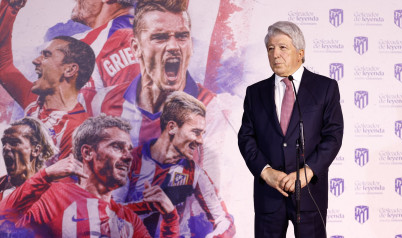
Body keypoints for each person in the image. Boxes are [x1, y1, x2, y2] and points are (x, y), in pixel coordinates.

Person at [88, 0, 241, 191]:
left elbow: (214, 195)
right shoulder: (101, 103)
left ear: (191, 45)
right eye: (160, 37)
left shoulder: (214, 112)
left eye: (182, 36)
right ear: (136, 48)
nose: (173, 46)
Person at [238, 21, 344, 238]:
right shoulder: (254, 93)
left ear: (300, 53)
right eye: (270, 48)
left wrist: (308, 171)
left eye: (282, 47)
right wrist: (266, 172)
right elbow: (246, 137)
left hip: (309, 194)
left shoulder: (324, 88)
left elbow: (333, 136)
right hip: (269, 195)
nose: (275, 54)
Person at [0, 115, 179, 237]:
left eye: (129, 150)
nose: (128, 156)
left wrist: (170, 218)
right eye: (117, 147)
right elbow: (4, 217)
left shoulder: (128, 219)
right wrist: (45, 175)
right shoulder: (52, 196)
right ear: (87, 153)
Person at [113, 91, 235, 238]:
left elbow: (225, 221)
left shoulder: (194, 172)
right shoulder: (129, 161)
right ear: (172, 128)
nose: (201, 141)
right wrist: (149, 206)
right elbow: (109, 214)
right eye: (196, 132)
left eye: (202, 134)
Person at [0, 0, 95, 161]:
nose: (36, 60)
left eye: (46, 55)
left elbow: (65, 185)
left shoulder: (78, 131)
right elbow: (3, 64)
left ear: (70, 70)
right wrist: (10, 8)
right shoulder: (35, 102)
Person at [0, 117, 56, 201]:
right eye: (4, 143)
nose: (6, 148)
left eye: (13, 143)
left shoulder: (53, 192)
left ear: (36, 150)